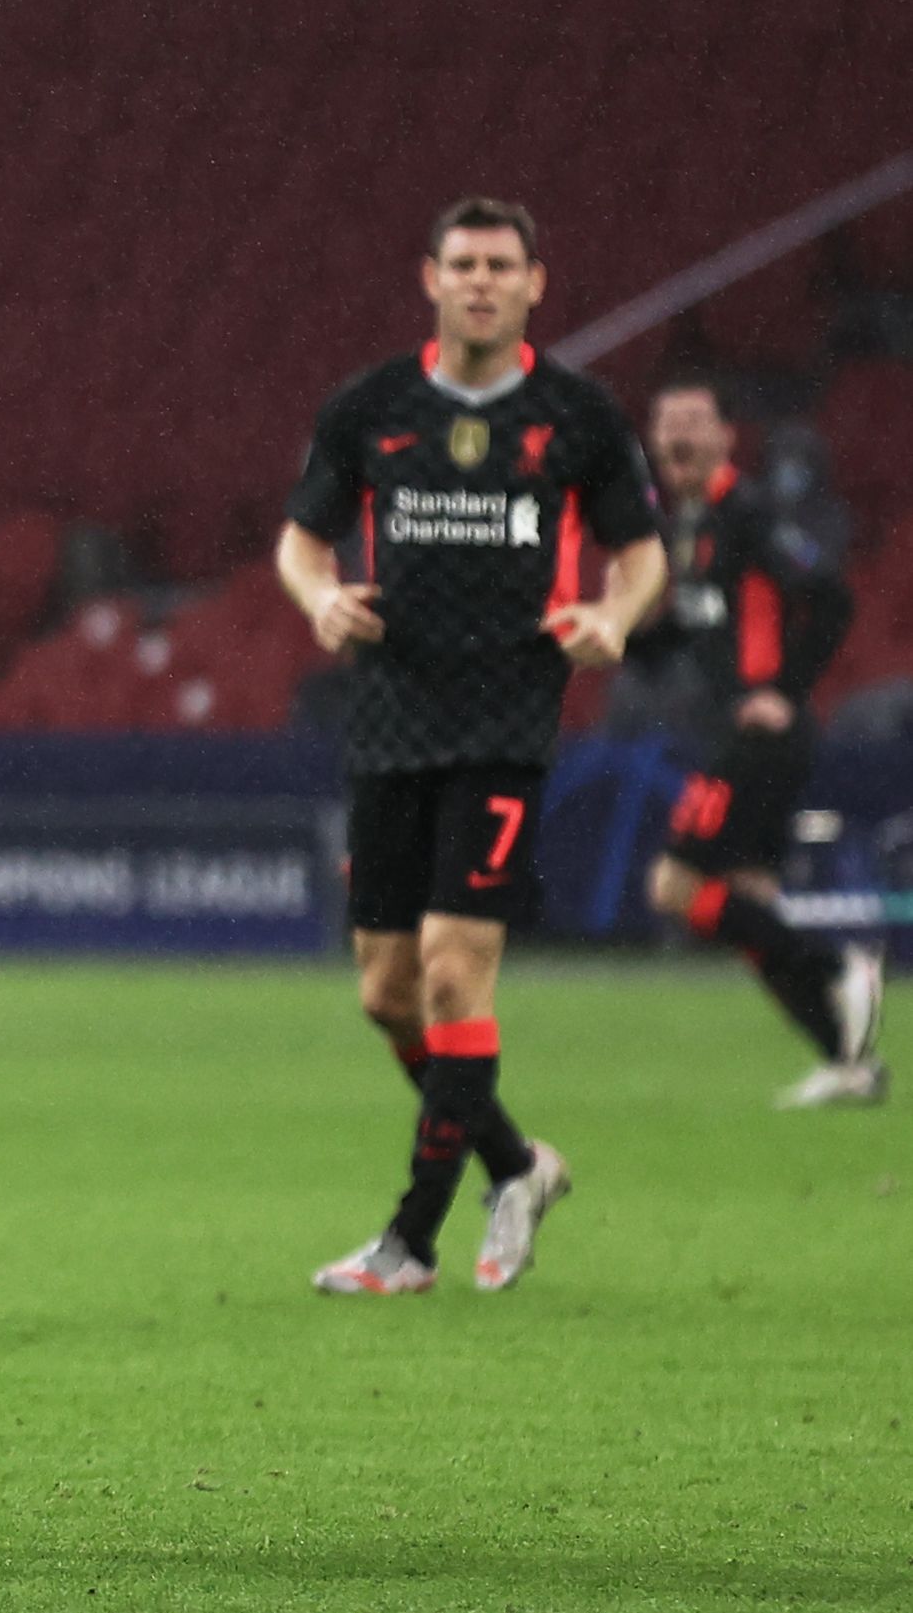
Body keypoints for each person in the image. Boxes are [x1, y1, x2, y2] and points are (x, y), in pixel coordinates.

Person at [276, 197, 665, 1295]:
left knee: (453, 971)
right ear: (430, 278)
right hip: (390, 722)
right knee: (386, 992)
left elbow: (641, 556)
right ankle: (516, 1164)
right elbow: (300, 541)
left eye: (501, 265)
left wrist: (614, 617)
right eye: (463, 264)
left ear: (535, 283)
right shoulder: (370, 407)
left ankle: (410, 1241)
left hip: (503, 720)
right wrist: (318, 597)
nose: (481, 281)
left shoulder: (576, 414)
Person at [629, 377, 882, 1105]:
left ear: (724, 437)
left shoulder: (747, 511)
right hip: (739, 733)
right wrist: (616, 638)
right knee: (750, 904)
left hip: (760, 738)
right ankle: (846, 1061)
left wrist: (785, 689)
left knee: (674, 886)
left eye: (693, 421)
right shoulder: (690, 523)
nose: (678, 434)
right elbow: (692, 628)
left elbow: (830, 597)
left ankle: (838, 967)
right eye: (667, 422)